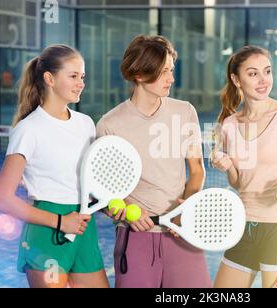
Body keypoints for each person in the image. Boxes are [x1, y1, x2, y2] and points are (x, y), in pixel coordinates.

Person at [97, 35, 211, 288]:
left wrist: (186, 208)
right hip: (135, 237)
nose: (171, 79)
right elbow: (105, 191)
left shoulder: (185, 111)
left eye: (171, 70)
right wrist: (126, 209)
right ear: (139, 74)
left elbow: (196, 171)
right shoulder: (109, 124)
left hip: (182, 233)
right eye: (163, 72)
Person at [0, 45, 109, 288]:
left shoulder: (86, 124)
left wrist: (107, 204)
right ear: (49, 79)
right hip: (46, 234)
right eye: (73, 76)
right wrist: (60, 222)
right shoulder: (28, 129)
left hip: (84, 228)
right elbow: (3, 199)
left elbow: (87, 181)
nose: (81, 83)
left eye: (83, 77)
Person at [212, 45, 277, 288]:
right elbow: (238, 182)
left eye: (267, 71)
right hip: (243, 228)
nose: (263, 80)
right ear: (236, 79)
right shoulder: (229, 125)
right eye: (253, 73)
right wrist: (227, 166)